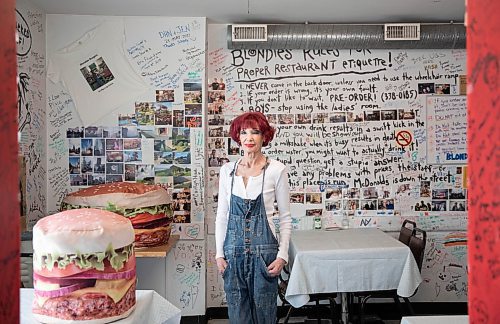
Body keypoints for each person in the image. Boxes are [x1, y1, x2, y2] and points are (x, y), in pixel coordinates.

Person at [215, 112, 292, 324]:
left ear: (264, 136)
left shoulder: (276, 170)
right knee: (238, 317)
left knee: (265, 317)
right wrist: (219, 254)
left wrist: (282, 255)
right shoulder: (227, 171)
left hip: (264, 256)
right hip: (233, 254)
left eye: (255, 132)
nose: (249, 138)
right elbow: (222, 215)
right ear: (238, 136)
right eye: (244, 132)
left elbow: (285, 218)